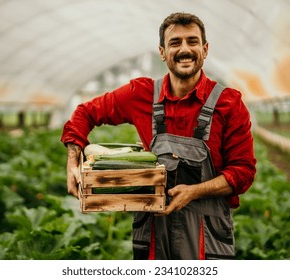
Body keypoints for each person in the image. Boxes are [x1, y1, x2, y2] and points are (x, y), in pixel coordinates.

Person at [61, 12, 256, 260]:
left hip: (206, 236)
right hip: (152, 231)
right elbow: (84, 113)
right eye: (175, 42)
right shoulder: (140, 94)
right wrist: (73, 158)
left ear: (205, 49)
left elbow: (243, 172)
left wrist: (194, 191)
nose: (185, 49)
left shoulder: (229, 103)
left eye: (192, 41)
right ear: (162, 52)